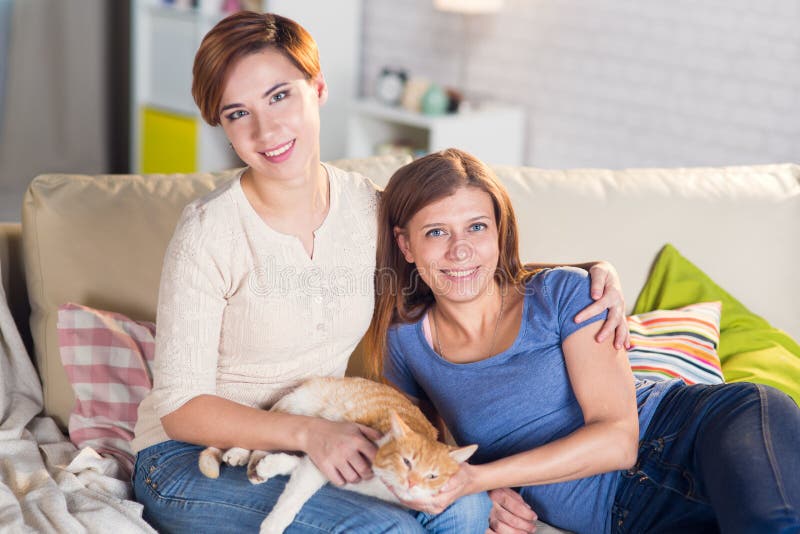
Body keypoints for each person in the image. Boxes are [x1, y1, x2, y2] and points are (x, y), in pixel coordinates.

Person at [131, 11, 631, 533]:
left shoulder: (368, 210)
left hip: (319, 438)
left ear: (318, 88)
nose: (266, 129)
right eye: (238, 113)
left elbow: (456, 261)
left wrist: (594, 271)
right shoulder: (209, 233)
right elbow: (180, 407)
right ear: (225, 127)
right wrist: (307, 434)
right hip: (188, 461)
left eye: (280, 96)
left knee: (465, 507)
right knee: (385, 528)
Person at [366, 148, 800, 534]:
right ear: (405, 245)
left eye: (477, 227)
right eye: (436, 232)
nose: (460, 250)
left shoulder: (562, 293)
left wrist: (481, 480)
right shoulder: (404, 343)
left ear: (499, 232)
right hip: (631, 515)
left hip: (703, 429)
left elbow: (618, 441)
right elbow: (416, 448)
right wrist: (479, 493)